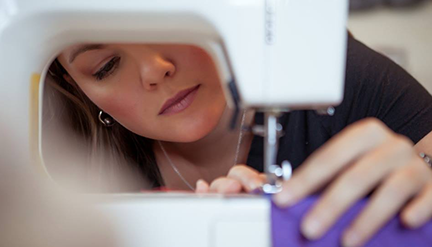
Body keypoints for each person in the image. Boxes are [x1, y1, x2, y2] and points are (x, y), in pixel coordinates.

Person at [46, 34, 432, 247]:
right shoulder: (54, 162)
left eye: (170, 27)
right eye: (106, 66)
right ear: (74, 84)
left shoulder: (333, 72)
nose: (155, 69)